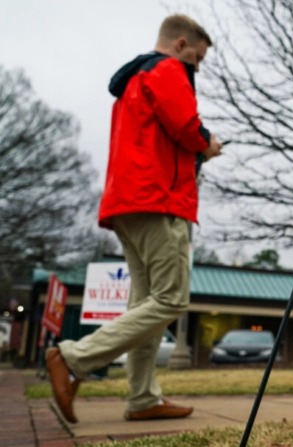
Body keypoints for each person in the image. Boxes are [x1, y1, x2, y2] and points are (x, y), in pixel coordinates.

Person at [46, 14, 223, 423]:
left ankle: (143, 398)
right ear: (181, 45)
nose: (196, 68)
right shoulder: (167, 69)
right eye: (197, 59)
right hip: (157, 200)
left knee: (146, 302)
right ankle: (72, 356)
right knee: (171, 299)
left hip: (129, 200)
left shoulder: (135, 79)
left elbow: (160, 135)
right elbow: (185, 125)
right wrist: (206, 145)